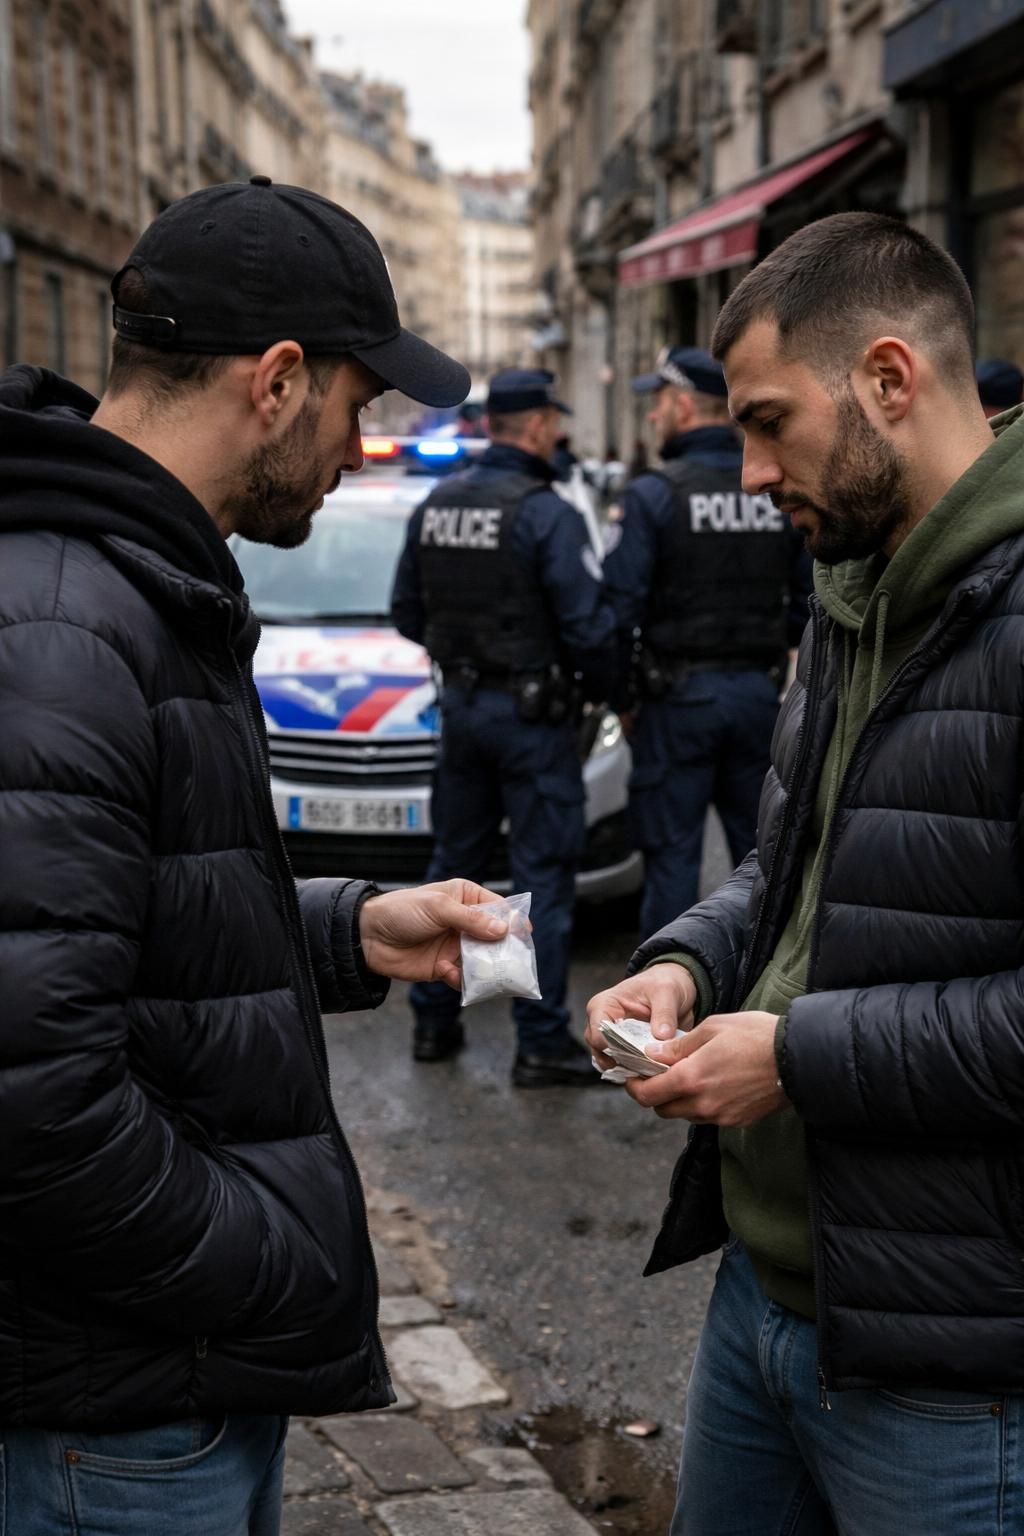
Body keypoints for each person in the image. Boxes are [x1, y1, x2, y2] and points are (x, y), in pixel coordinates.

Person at [0, 176, 513, 1535]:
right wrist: (261, 1257)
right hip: (115, 1420)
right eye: (358, 406)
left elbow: (114, 934)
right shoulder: (66, 622)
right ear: (278, 381)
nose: (358, 447)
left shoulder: (131, 574)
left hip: (147, 1390)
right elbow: (31, 1100)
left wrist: (347, 930)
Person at [586, 210, 1024, 1535]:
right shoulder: (849, 586)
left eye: (772, 422)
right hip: (763, 1306)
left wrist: (798, 1055)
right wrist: (682, 962)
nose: (753, 467)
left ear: (891, 381)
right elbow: (794, 860)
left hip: (950, 1371)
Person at [391, 366, 616, 1086]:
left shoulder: (437, 503)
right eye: (557, 421)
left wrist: (464, 658)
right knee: (541, 877)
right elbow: (588, 628)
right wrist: (605, 689)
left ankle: (433, 1022)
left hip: (461, 712)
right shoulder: (545, 512)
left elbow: (406, 613)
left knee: (453, 865)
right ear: (540, 425)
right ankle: (540, 1042)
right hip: (532, 720)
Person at [602, 344, 809, 939]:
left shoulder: (654, 494)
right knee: (762, 864)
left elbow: (618, 612)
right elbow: (809, 597)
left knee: (672, 863)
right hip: (756, 696)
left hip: (675, 702)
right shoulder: (770, 486)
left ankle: (661, 1010)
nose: (653, 416)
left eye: (660, 403)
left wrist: (624, 695)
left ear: (685, 406)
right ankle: (750, 999)